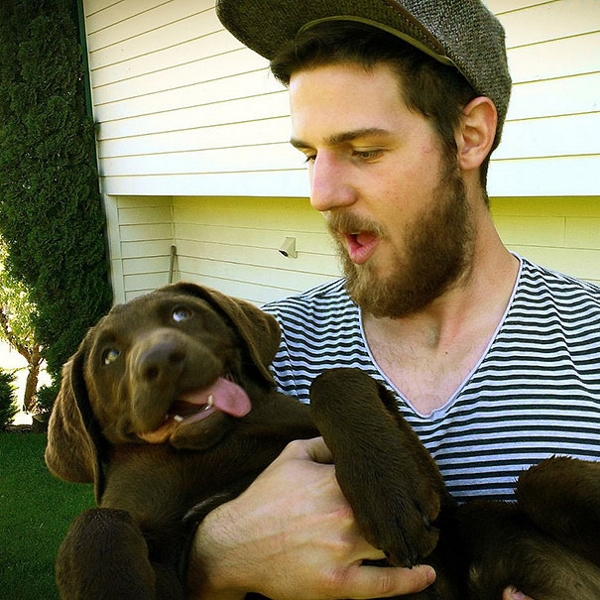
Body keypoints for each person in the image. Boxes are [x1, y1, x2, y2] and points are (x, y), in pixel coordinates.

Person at [186, 1, 600, 598]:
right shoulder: (265, 353)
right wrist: (217, 559)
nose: (321, 194)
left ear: (469, 136)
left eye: (364, 150)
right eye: (310, 154)